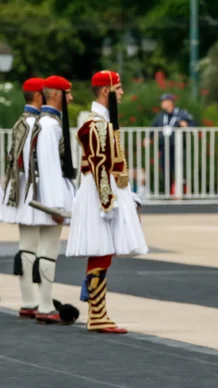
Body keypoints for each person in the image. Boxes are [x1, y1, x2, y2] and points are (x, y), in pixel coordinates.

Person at [66, 70, 148, 334]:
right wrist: (106, 202)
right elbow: (99, 166)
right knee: (101, 252)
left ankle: (97, 312)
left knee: (104, 252)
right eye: (119, 87)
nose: (122, 92)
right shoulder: (97, 124)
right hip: (100, 194)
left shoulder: (102, 122)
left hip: (105, 192)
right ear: (106, 91)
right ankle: (97, 314)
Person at [2, 76, 78, 323]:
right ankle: (44, 305)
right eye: (67, 94)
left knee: (28, 246)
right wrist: (56, 204)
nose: (71, 98)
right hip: (42, 193)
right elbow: (48, 166)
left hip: (26, 190)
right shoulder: (48, 125)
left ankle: (30, 301)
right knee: (47, 249)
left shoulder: (28, 122)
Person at [1, 77, 45, 318]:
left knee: (27, 245)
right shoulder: (37, 124)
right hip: (32, 188)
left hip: (20, 187)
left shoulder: (21, 121)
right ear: (39, 96)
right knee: (34, 247)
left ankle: (29, 299)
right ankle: (34, 300)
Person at [152, 93, 195, 195]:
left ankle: (183, 193)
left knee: (180, 170)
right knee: (166, 171)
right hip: (164, 148)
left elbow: (192, 125)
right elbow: (152, 128)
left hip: (178, 148)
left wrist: (186, 126)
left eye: (164, 101)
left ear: (170, 102)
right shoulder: (161, 116)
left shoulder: (181, 113)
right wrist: (149, 138)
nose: (162, 104)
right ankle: (169, 193)